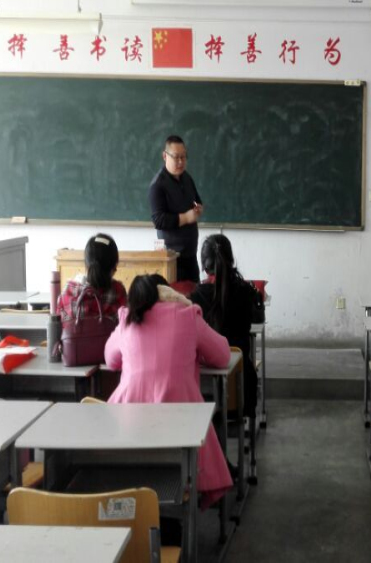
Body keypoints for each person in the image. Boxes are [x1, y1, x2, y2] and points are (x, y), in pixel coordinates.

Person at [104, 274, 232, 509]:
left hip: (127, 430)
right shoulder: (187, 316)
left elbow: (110, 360)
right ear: (169, 293)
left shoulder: (128, 318)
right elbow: (223, 356)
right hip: (181, 429)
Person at [190, 234, 259, 419]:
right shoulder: (246, 292)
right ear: (231, 260)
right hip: (241, 387)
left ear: (204, 266)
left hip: (205, 394)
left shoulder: (195, 298)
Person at [149, 135, 204, 283]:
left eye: (183, 157)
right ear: (165, 156)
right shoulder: (158, 185)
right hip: (172, 258)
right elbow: (158, 220)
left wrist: (198, 208)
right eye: (176, 157)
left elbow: (196, 200)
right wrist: (186, 218)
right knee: (176, 296)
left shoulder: (187, 178)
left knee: (194, 294)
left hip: (191, 255)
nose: (180, 162)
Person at [57, 233, 127, 327]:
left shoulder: (68, 291)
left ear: (86, 263)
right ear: (114, 267)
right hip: (109, 337)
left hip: (75, 337)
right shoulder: (118, 291)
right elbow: (126, 327)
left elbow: (58, 328)